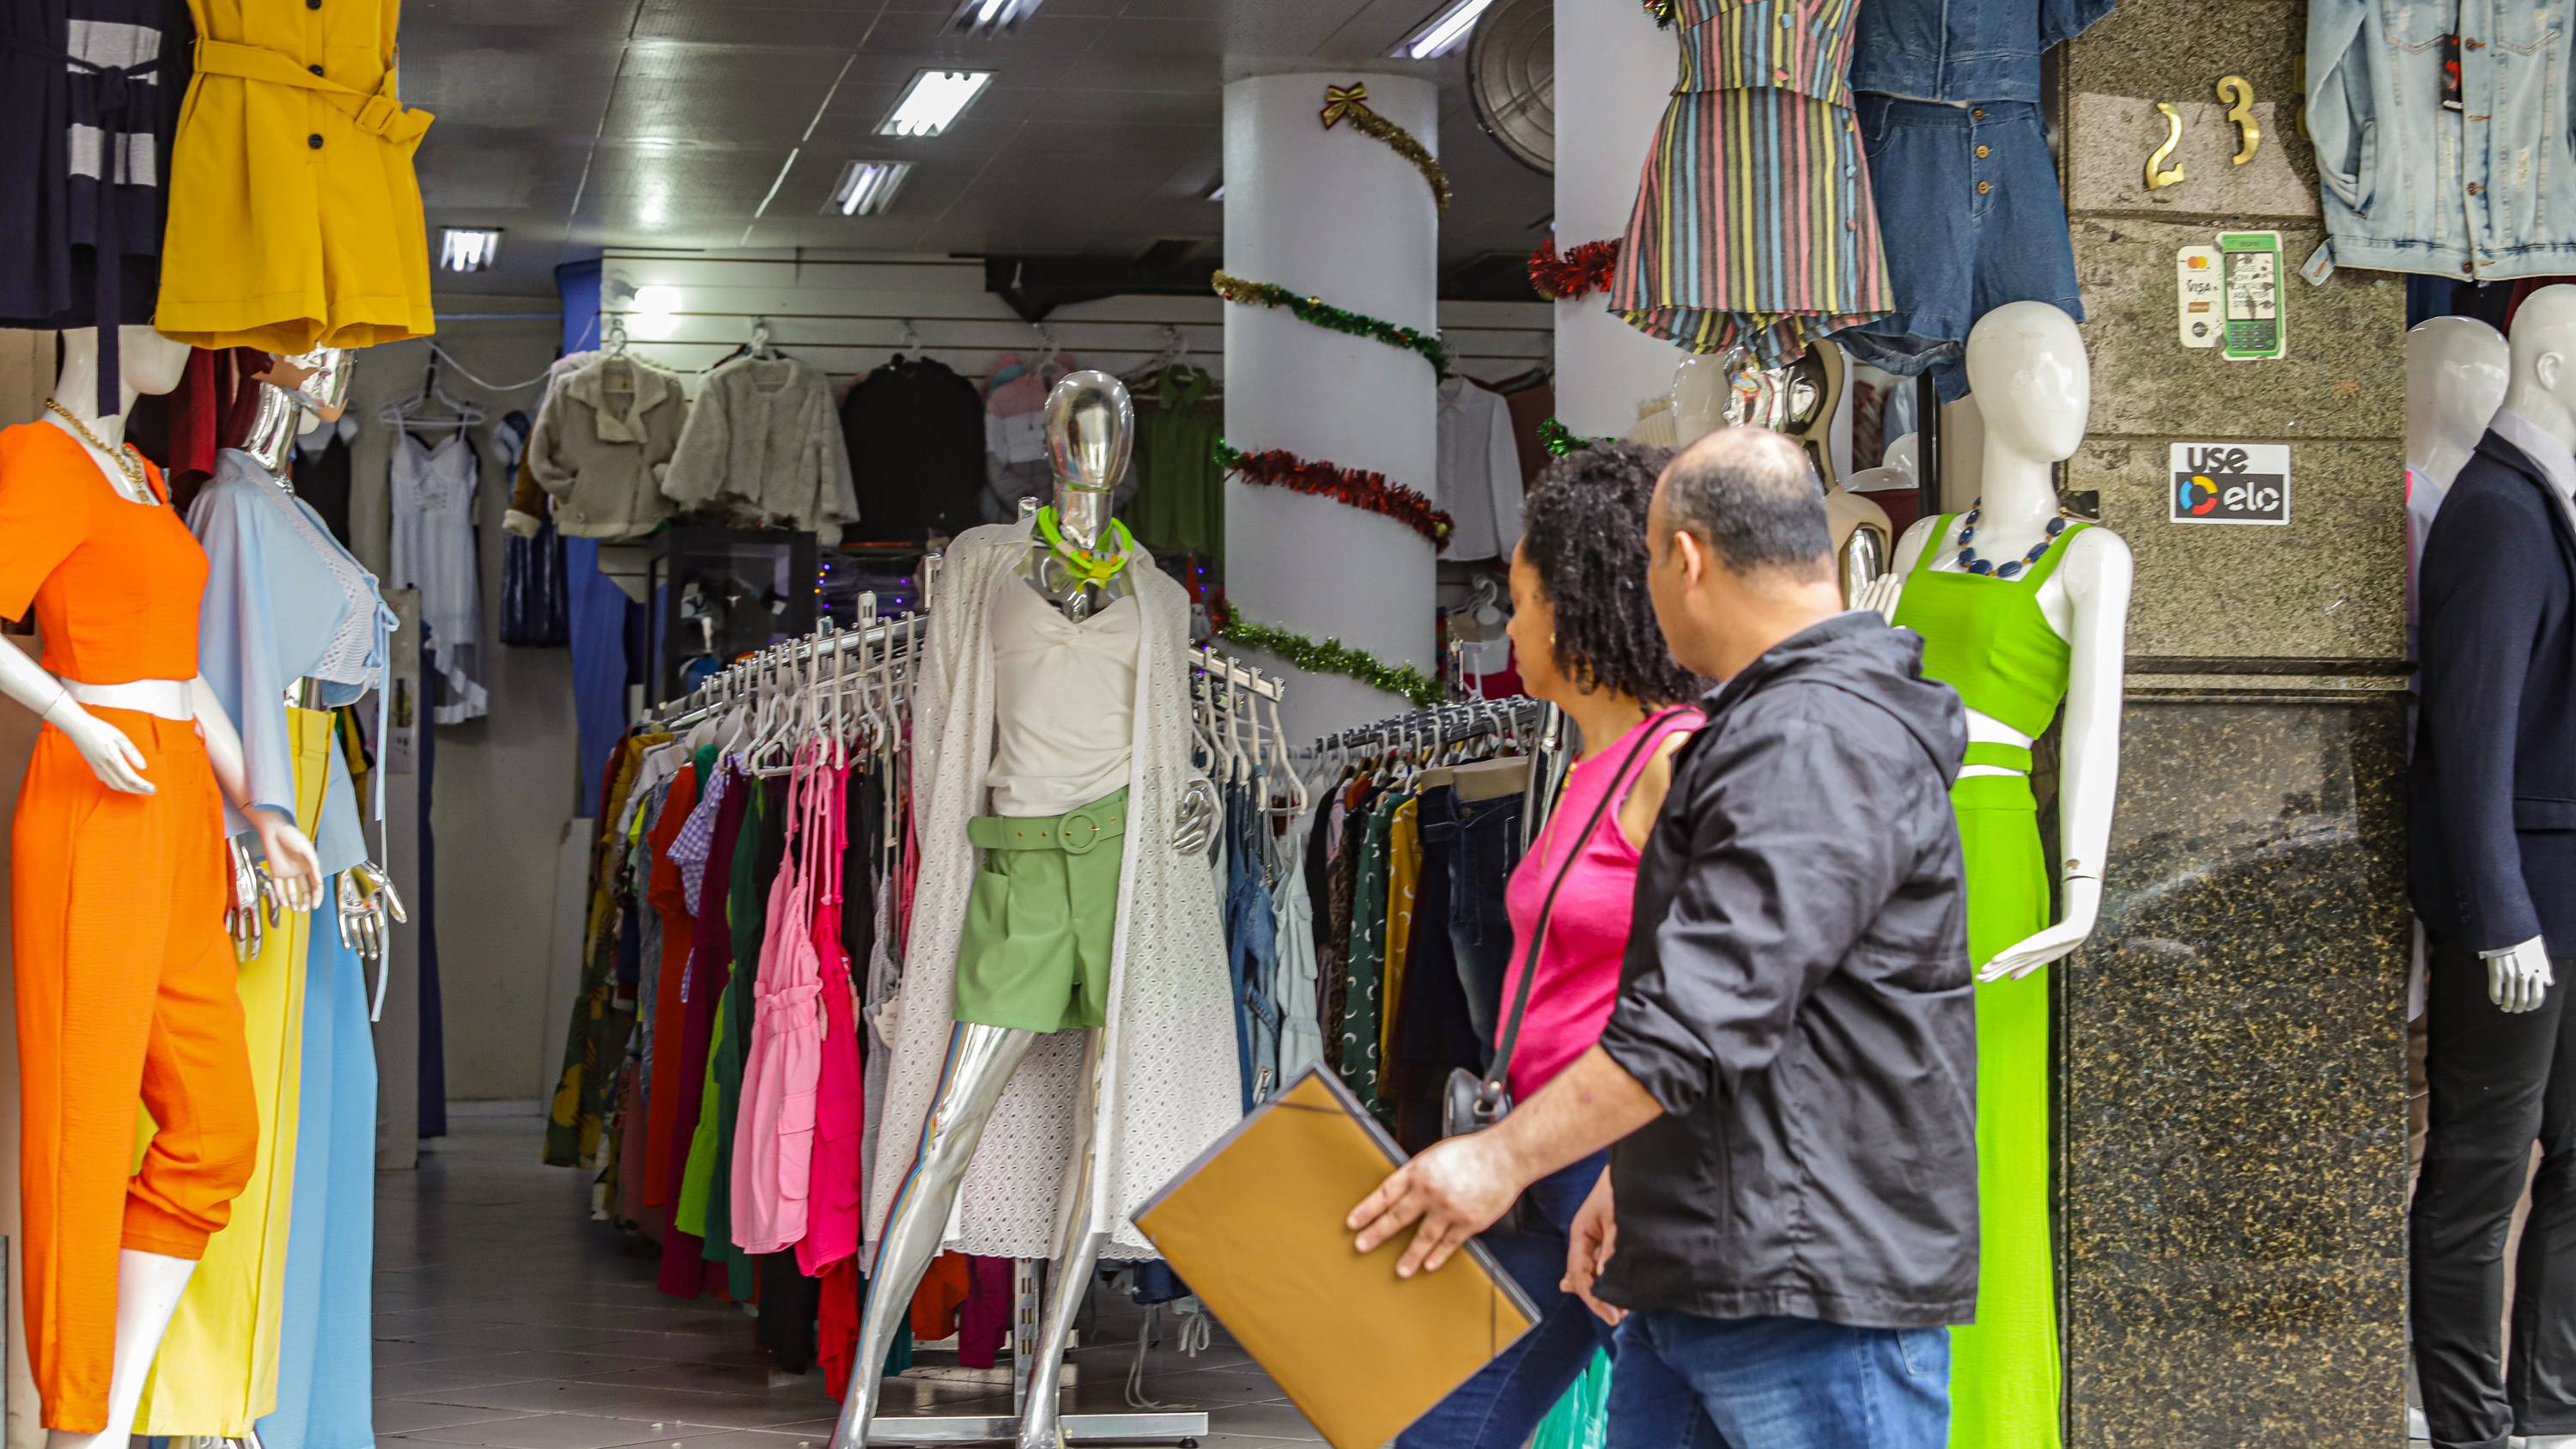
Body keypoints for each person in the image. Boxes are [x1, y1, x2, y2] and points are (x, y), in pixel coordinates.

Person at [1349, 427, 1978, 1449]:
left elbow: (1704, 1009)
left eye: (1648, 561)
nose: (1642, 588)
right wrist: (1635, 1181)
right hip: (1717, 1271)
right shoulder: (1772, 729)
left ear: (1684, 559)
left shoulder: (1813, 736)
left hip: (1805, 1294)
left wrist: (1503, 1158)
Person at [1400, 442, 1705, 1449]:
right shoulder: (1583, 766)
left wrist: (1631, 1170)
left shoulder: (1673, 757)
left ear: (1578, 605)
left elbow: (1709, 990)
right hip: (1544, 1151)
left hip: (1611, 1161)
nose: (1512, 622)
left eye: (1522, 596)